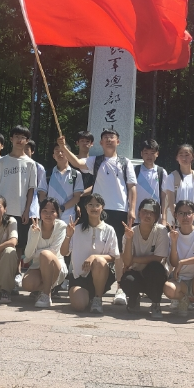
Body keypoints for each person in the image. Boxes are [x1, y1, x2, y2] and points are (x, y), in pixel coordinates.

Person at [57, 130, 136, 306]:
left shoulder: (125, 162)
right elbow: (77, 162)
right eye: (105, 138)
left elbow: (132, 187)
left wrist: (131, 209)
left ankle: (120, 289)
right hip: (97, 209)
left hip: (120, 210)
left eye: (112, 138)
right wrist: (64, 147)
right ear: (100, 143)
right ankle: (83, 278)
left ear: (118, 141)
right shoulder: (95, 161)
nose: (108, 140)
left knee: (119, 251)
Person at [63, 194, 119, 314]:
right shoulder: (77, 229)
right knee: (79, 306)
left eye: (97, 205)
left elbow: (114, 256)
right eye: (90, 205)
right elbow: (64, 252)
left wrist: (94, 257)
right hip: (79, 277)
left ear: (102, 207)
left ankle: (98, 298)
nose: (94, 208)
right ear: (85, 207)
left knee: (99, 261)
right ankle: (88, 298)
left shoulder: (109, 230)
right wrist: (68, 235)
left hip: (101, 275)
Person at [120, 198, 169, 319]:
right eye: (145, 211)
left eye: (152, 213)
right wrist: (129, 239)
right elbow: (126, 261)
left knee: (155, 268)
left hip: (153, 274)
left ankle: (156, 302)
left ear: (156, 216)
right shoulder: (130, 232)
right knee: (127, 279)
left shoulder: (161, 231)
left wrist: (133, 259)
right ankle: (134, 298)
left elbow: (158, 258)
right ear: (139, 213)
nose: (148, 215)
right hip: (136, 272)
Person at [0, 125, 37, 251]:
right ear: (11, 139)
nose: (19, 140)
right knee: (0, 242)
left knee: (19, 245)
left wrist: (27, 210)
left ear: (27, 141)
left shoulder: (31, 163)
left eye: (23, 137)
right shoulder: (2, 161)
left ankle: (17, 265)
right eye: (16, 136)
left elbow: (31, 189)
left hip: (20, 211)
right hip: (2, 210)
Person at [21, 198, 68, 308]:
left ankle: (47, 295)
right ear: (40, 212)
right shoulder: (33, 227)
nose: (48, 215)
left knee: (46, 254)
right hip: (38, 266)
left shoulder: (61, 226)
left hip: (56, 265)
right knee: (27, 284)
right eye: (45, 211)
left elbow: (53, 251)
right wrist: (35, 235)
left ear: (57, 214)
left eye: (52, 211)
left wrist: (37, 253)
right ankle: (42, 290)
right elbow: (28, 255)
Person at [162, 144, 194, 224]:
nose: (184, 158)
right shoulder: (171, 177)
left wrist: (188, 215)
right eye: (181, 155)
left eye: (187, 155)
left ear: (192, 157)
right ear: (177, 158)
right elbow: (171, 202)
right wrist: (181, 216)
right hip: (176, 222)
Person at [46, 143, 84, 225]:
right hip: (49, 216)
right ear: (53, 156)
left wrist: (61, 209)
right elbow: (42, 194)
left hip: (68, 217)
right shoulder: (47, 174)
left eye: (63, 151)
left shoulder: (76, 174)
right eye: (57, 151)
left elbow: (76, 197)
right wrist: (49, 210)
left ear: (69, 154)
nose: (60, 153)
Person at [134, 139, 167, 224]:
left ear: (157, 154)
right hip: (137, 216)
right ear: (141, 154)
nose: (149, 156)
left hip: (155, 216)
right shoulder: (135, 170)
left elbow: (164, 197)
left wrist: (164, 217)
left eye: (152, 153)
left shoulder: (161, 172)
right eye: (146, 153)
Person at [24, 139, 48, 217]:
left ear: (32, 151)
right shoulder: (14, 165)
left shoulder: (38, 167)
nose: (24, 151)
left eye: (26, 149)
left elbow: (42, 189)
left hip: (33, 206)